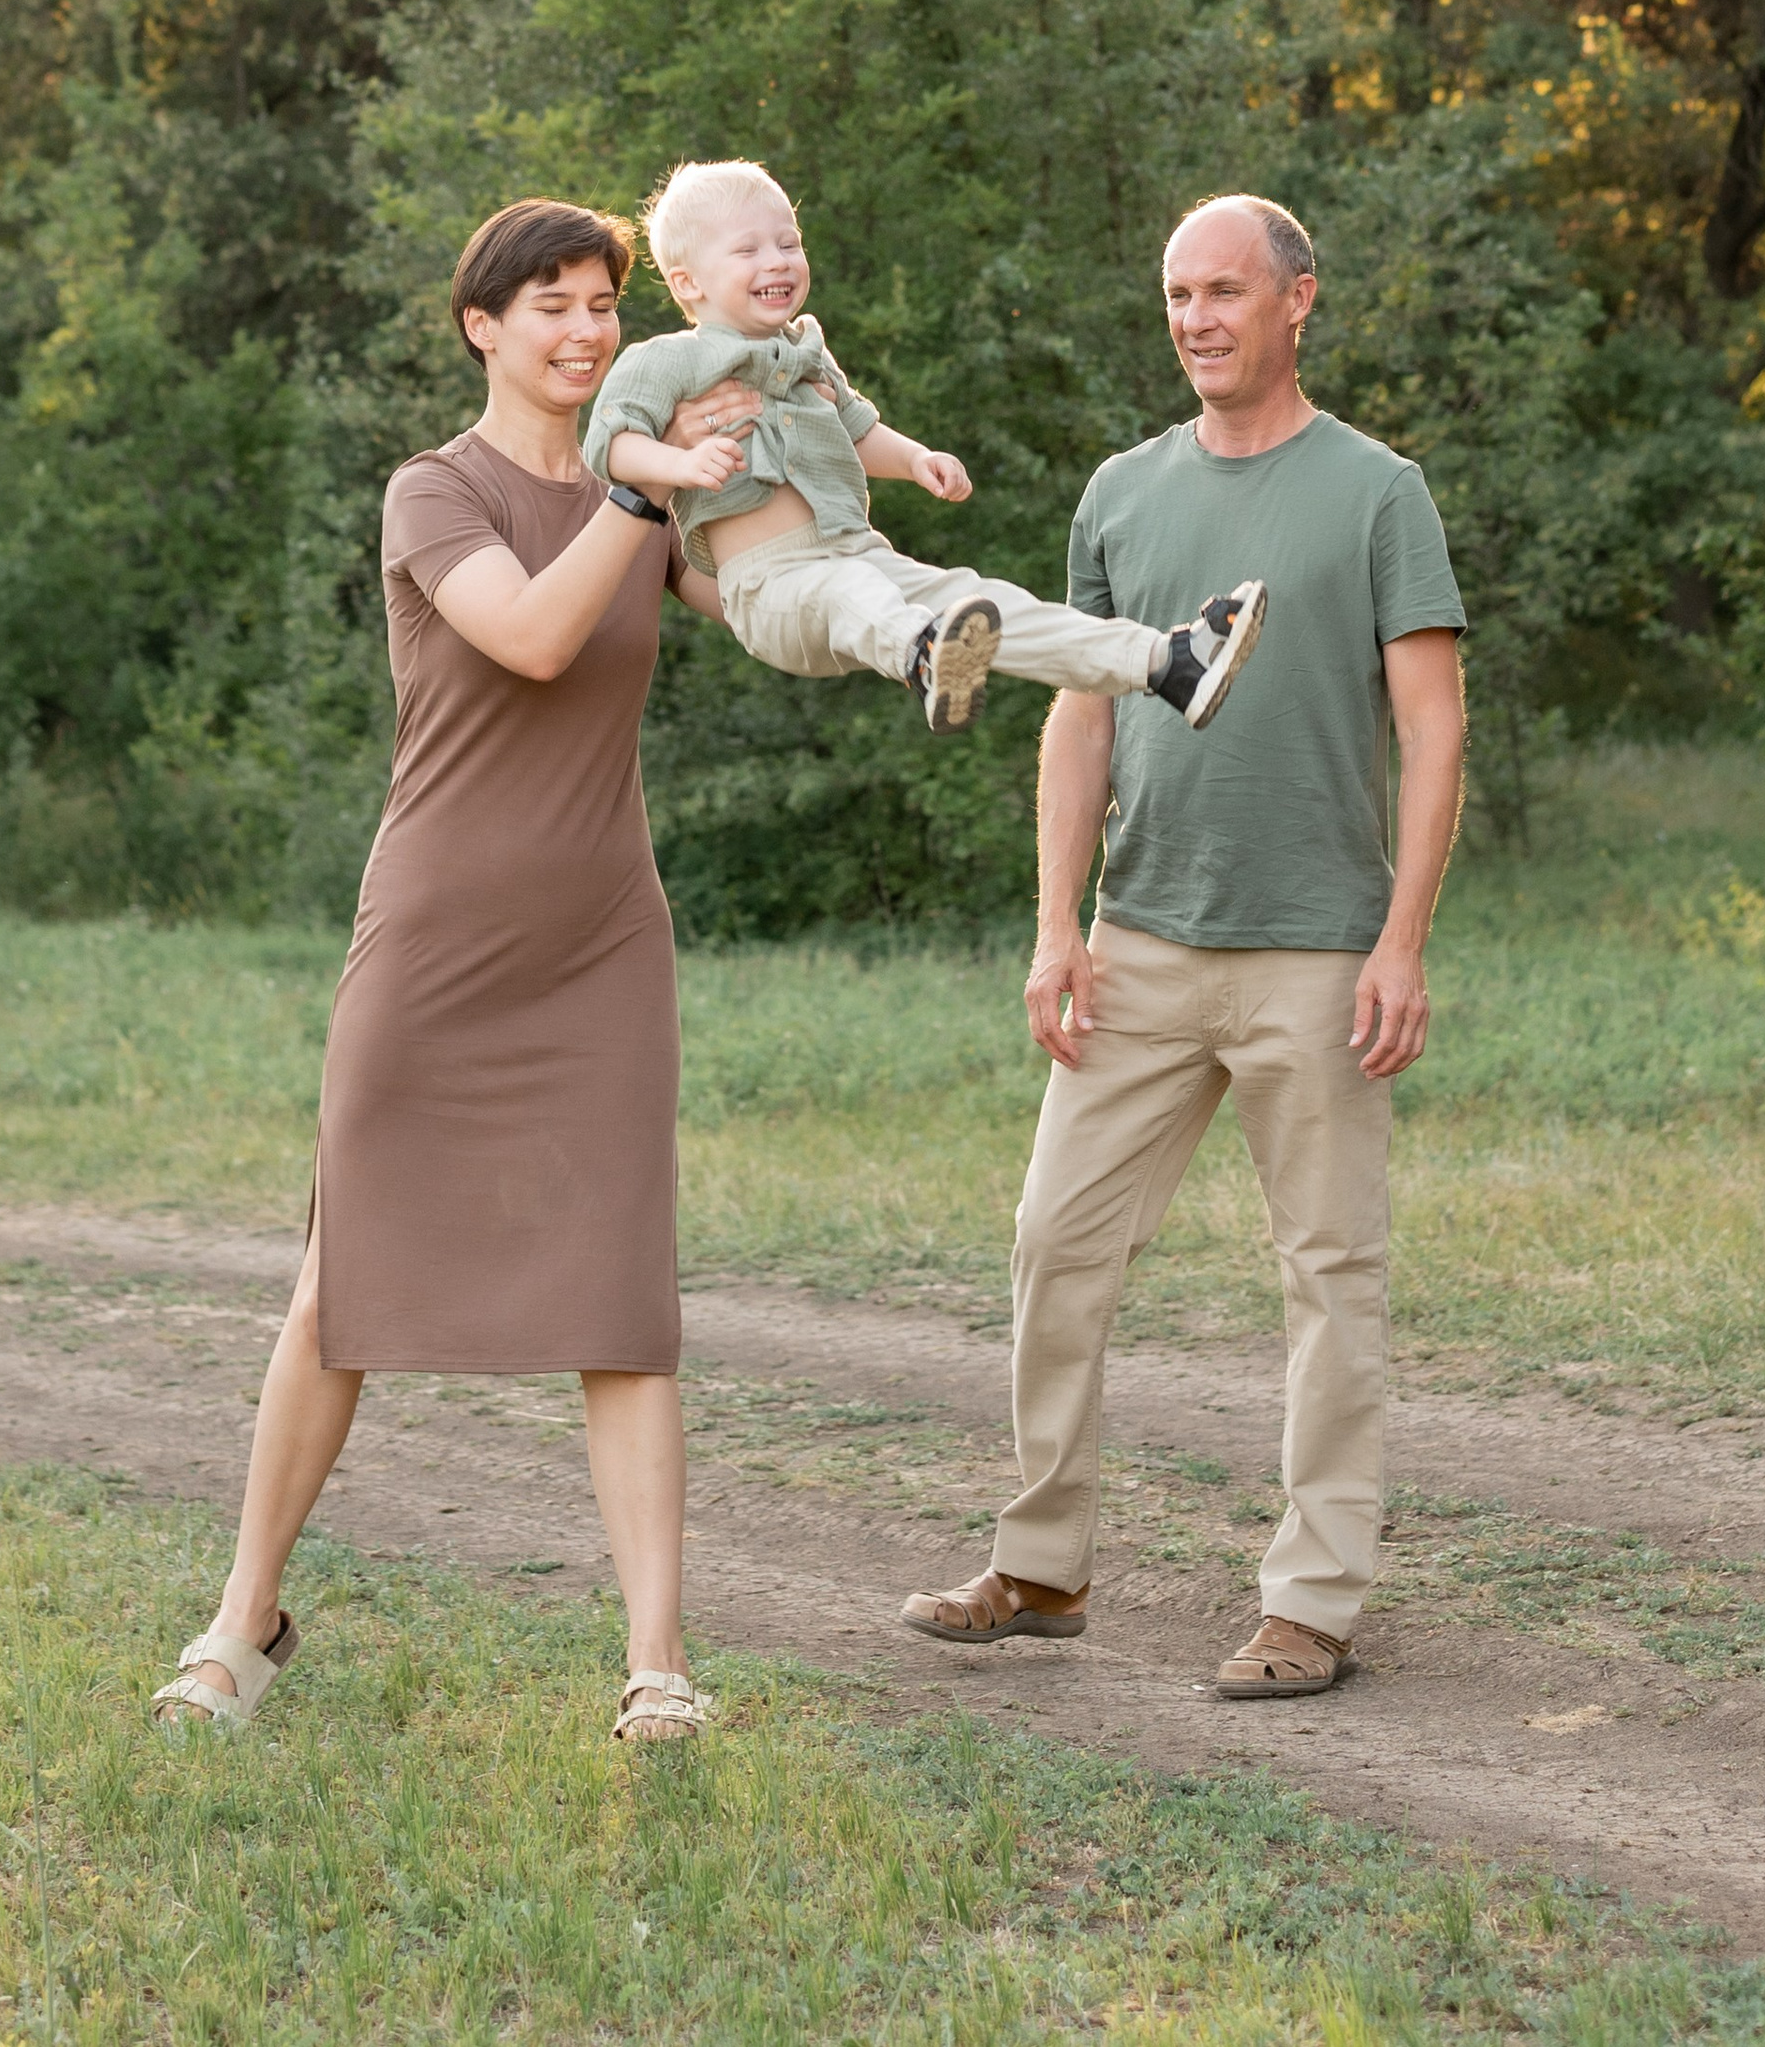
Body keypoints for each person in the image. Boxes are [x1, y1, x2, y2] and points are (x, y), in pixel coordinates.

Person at [150, 196, 753, 1749]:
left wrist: (834, 505)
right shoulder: (437, 489)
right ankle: (242, 1620)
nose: (587, 329)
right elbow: (532, 635)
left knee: (620, 1297)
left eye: (605, 302)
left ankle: (658, 1663)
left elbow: (767, 603)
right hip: (432, 944)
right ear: (483, 325)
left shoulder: (650, 491)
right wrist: (642, 485)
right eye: (552, 303)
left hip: (602, 943)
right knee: (340, 1286)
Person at [898, 192, 1466, 1700]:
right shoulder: (1120, 492)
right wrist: (1056, 924)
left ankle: (1312, 1600)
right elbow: (1078, 715)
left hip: (1319, 956)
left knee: (1329, 1272)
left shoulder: (1378, 492)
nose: (1197, 318)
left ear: (1298, 299)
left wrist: (1401, 939)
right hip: (1139, 942)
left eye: (1224, 290)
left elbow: (1433, 726)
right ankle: (1042, 1562)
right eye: (1176, 295)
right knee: (1054, 1240)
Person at [586, 157, 1264, 737]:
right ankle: (926, 655)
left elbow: (858, 430)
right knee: (852, 589)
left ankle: (1167, 664)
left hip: (860, 554)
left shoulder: (807, 353)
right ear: (688, 282)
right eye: (749, 250)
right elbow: (610, 444)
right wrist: (678, 462)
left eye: (789, 243)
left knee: (983, 601)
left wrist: (915, 460)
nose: (778, 260)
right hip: (772, 591)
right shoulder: (668, 359)